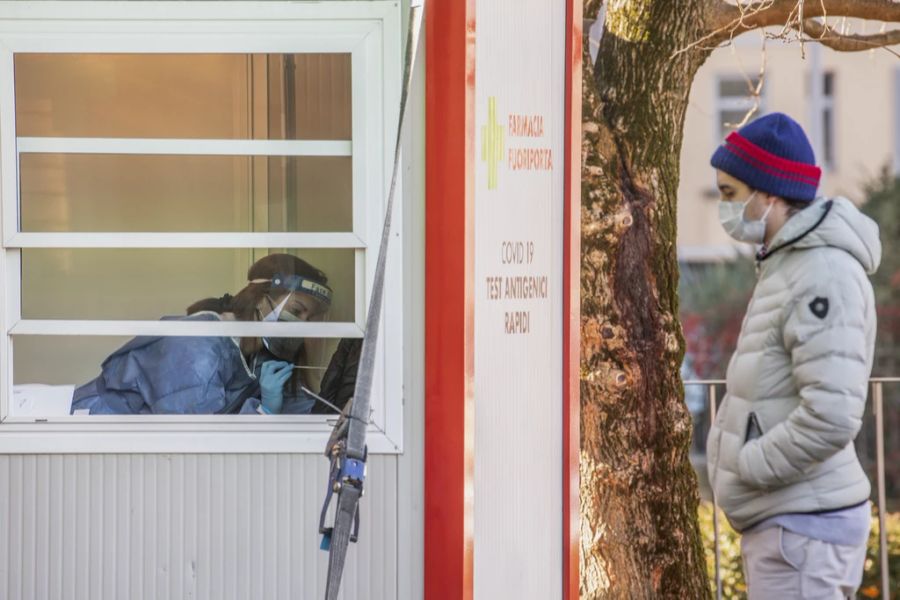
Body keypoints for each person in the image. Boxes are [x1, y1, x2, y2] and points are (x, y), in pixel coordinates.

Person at [705, 113, 881, 599]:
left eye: (729, 193)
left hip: (802, 530)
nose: (724, 207)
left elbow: (831, 414)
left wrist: (751, 464)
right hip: (791, 524)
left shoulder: (821, 272)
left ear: (770, 194)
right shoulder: (791, 262)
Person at [71, 253, 334, 415]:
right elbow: (197, 444)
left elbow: (302, 410)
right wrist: (263, 413)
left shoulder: (259, 355)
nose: (303, 325)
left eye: (310, 318)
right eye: (297, 311)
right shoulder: (197, 347)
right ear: (260, 299)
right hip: (90, 437)